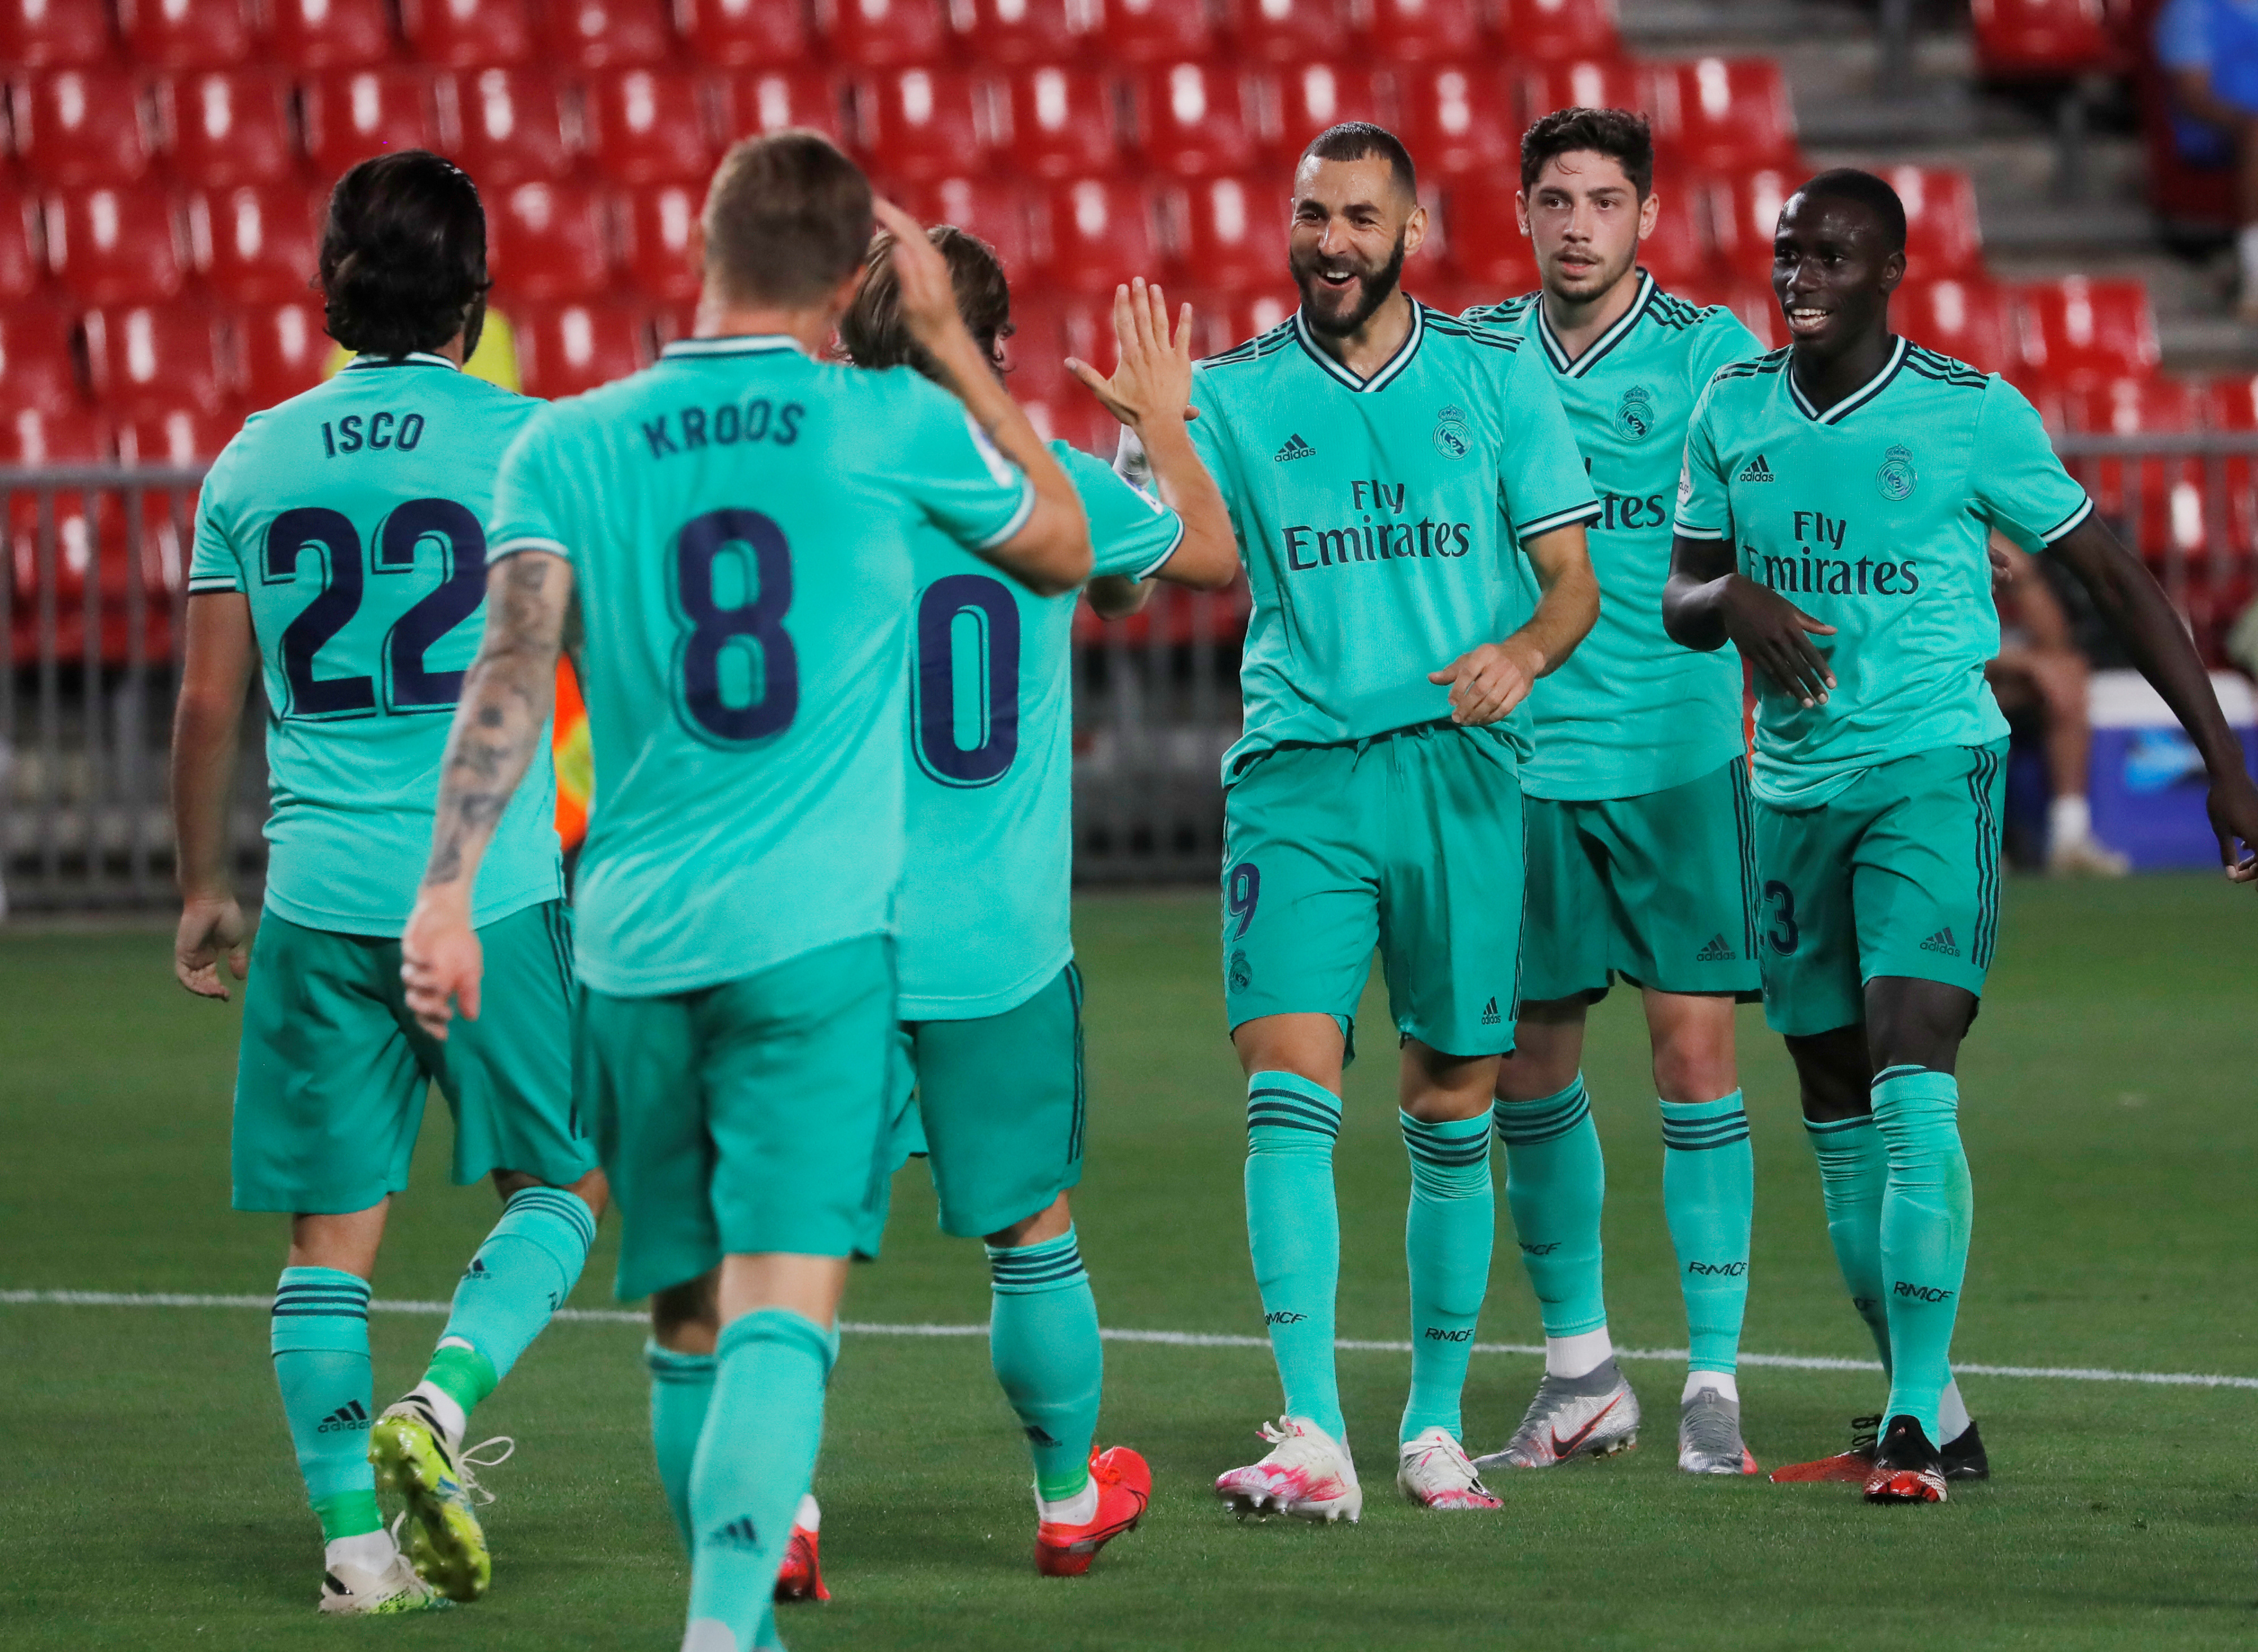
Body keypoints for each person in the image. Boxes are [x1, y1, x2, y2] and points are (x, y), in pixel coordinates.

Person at [395, 129, 1091, 1652]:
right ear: (857, 276)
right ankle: (720, 1631)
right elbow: (1065, 542)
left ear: (702, 248)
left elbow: (507, 674)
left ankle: (740, 1624)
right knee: (785, 1301)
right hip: (815, 943)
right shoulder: (882, 420)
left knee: (687, 1322)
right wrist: (964, 359)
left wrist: (446, 890)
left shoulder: (560, 442)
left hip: (634, 947)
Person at [1664, 167, 2258, 1504]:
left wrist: (2224, 761)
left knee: (1910, 1054)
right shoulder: (1729, 409)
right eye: (1783, 253)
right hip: (1788, 791)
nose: (1796, 273)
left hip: (1930, 762)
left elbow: (2110, 570)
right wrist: (1731, 600)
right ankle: (1929, 1403)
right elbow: (1676, 589)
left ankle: (1910, 1444)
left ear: (1888, 274)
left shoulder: (1966, 412)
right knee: (1829, 1098)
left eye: (1826, 255)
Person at [170, 150, 607, 1615]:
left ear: (329, 293)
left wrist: (198, 884)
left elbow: (206, 711)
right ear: (479, 301)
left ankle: (358, 1552)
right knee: (561, 1182)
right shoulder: (537, 445)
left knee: (327, 1239)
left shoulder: (251, 460)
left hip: (316, 897)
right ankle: (447, 1396)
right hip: (489, 895)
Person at [1188, 121, 1602, 1520]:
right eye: (1311, 214)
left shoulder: (1493, 384)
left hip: (1464, 772)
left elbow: (1568, 580)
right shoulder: (1231, 392)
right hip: (1300, 769)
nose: (1330, 241)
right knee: (1286, 1078)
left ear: (1410, 233)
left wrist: (1524, 653)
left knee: (1448, 1099)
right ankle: (1310, 1425)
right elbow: (1180, 558)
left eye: (1358, 217)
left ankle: (1429, 1421)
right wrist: (1147, 433)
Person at [831, 230, 1238, 1580]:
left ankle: (776, 1506)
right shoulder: (1050, 482)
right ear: (990, 346)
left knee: (789, 1234)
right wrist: (1162, 426)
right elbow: (1201, 555)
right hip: (993, 944)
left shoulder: (805, 487)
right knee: (1028, 1226)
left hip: (825, 936)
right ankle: (1067, 1494)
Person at [1461, 106, 1767, 1478]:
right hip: (1524, 760)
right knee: (1527, 1071)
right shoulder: (1470, 357)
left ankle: (1712, 1379)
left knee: (1693, 1057)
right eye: (1552, 200)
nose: (1575, 224)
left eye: (1601, 200)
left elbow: (1785, 489)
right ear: (1521, 214)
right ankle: (1580, 1367)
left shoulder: (1710, 356)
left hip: (1674, 756)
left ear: (1645, 215)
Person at [1988, 547, 2129, 874]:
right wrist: (2025, 662)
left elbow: (2055, 641)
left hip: (1992, 676)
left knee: (2065, 674)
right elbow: (1931, 646)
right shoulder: (1935, 544)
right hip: (1929, 677)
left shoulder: (2007, 548)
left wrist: (2023, 578)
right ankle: (1969, 840)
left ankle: (2070, 837)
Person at [2155, 0, 2258, 317]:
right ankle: (2255, 275)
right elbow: (2193, 94)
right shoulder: (2192, 10)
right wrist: (2247, 123)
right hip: (2215, 130)